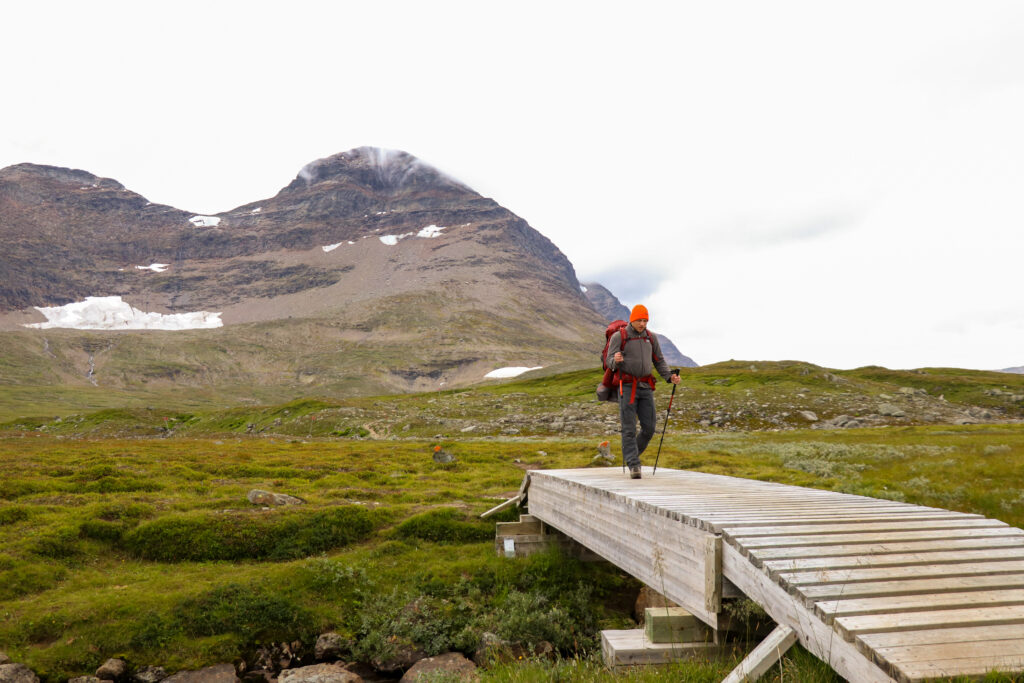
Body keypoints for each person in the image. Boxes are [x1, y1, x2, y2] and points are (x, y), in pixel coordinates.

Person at [604, 304, 681, 479]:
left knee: (649, 428)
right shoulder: (619, 337)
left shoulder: (651, 338)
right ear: (632, 319)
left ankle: (631, 456)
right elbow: (609, 361)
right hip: (627, 386)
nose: (643, 323)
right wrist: (615, 360)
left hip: (646, 387)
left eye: (645, 320)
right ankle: (634, 465)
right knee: (629, 428)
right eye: (640, 320)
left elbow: (659, 361)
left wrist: (670, 377)